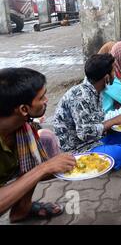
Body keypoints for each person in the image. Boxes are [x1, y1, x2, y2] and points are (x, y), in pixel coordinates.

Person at [0, 68, 76, 223]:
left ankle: (22, 210)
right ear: (23, 109)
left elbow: (39, 166)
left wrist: (80, 164)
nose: (47, 100)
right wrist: (45, 168)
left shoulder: (24, 129)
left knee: (45, 140)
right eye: (42, 97)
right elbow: (41, 168)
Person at [53, 54, 121, 170]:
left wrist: (113, 123)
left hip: (95, 137)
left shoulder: (96, 90)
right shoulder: (81, 97)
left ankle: (117, 146)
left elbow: (97, 121)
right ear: (106, 78)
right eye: (113, 71)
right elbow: (84, 134)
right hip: (78, 147)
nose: (115, 75)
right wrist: (112, 121)